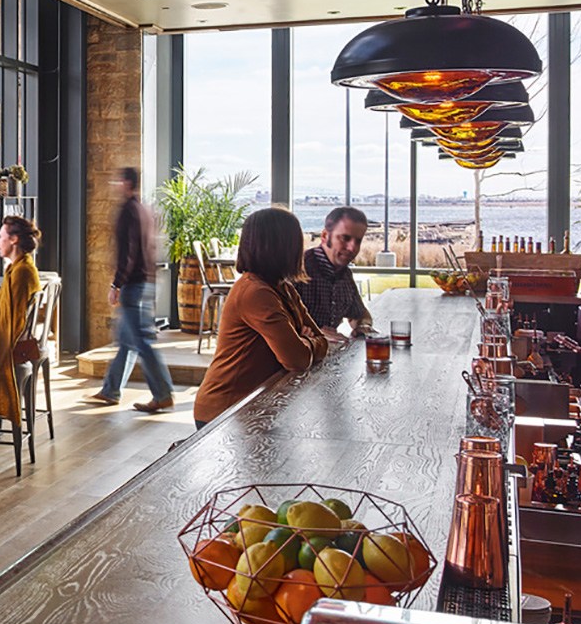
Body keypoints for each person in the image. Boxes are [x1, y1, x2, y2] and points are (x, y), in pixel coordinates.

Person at [193, 205, 329, 428]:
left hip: (256, 404)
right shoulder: (256, 293)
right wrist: (305, 342)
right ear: (281, 246)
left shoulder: (283, 288)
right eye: (296, 242)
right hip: (226, 410)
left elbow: (320, 338)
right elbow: (297, 359)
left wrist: (307, 342)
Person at [90, 167, 175, 413]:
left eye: (117, 181)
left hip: (134, 285)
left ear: (126, 183)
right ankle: (111, 390)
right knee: (127, 340)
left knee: (142, 341)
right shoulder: (145, 210)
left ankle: (163, 393)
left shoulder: (128, 211)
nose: (115, 185)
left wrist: (116, 284)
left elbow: (128, 253)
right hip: (147, 281)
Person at [0, 214, 42, 429]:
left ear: (13, 240)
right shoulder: (18, 267)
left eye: (1, 236)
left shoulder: (21, 271)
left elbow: (11, 321)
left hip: (13, 346)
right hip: (17, 339)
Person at [302, 205, 373, 338]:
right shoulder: (298, 269)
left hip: (328, 354)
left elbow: (360, 314)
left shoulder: (344, 274)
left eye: (358, 241)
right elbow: (270, 323)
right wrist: (315, 334)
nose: (352, 248)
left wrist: (364, 326)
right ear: (324, 236)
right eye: (345, 238)